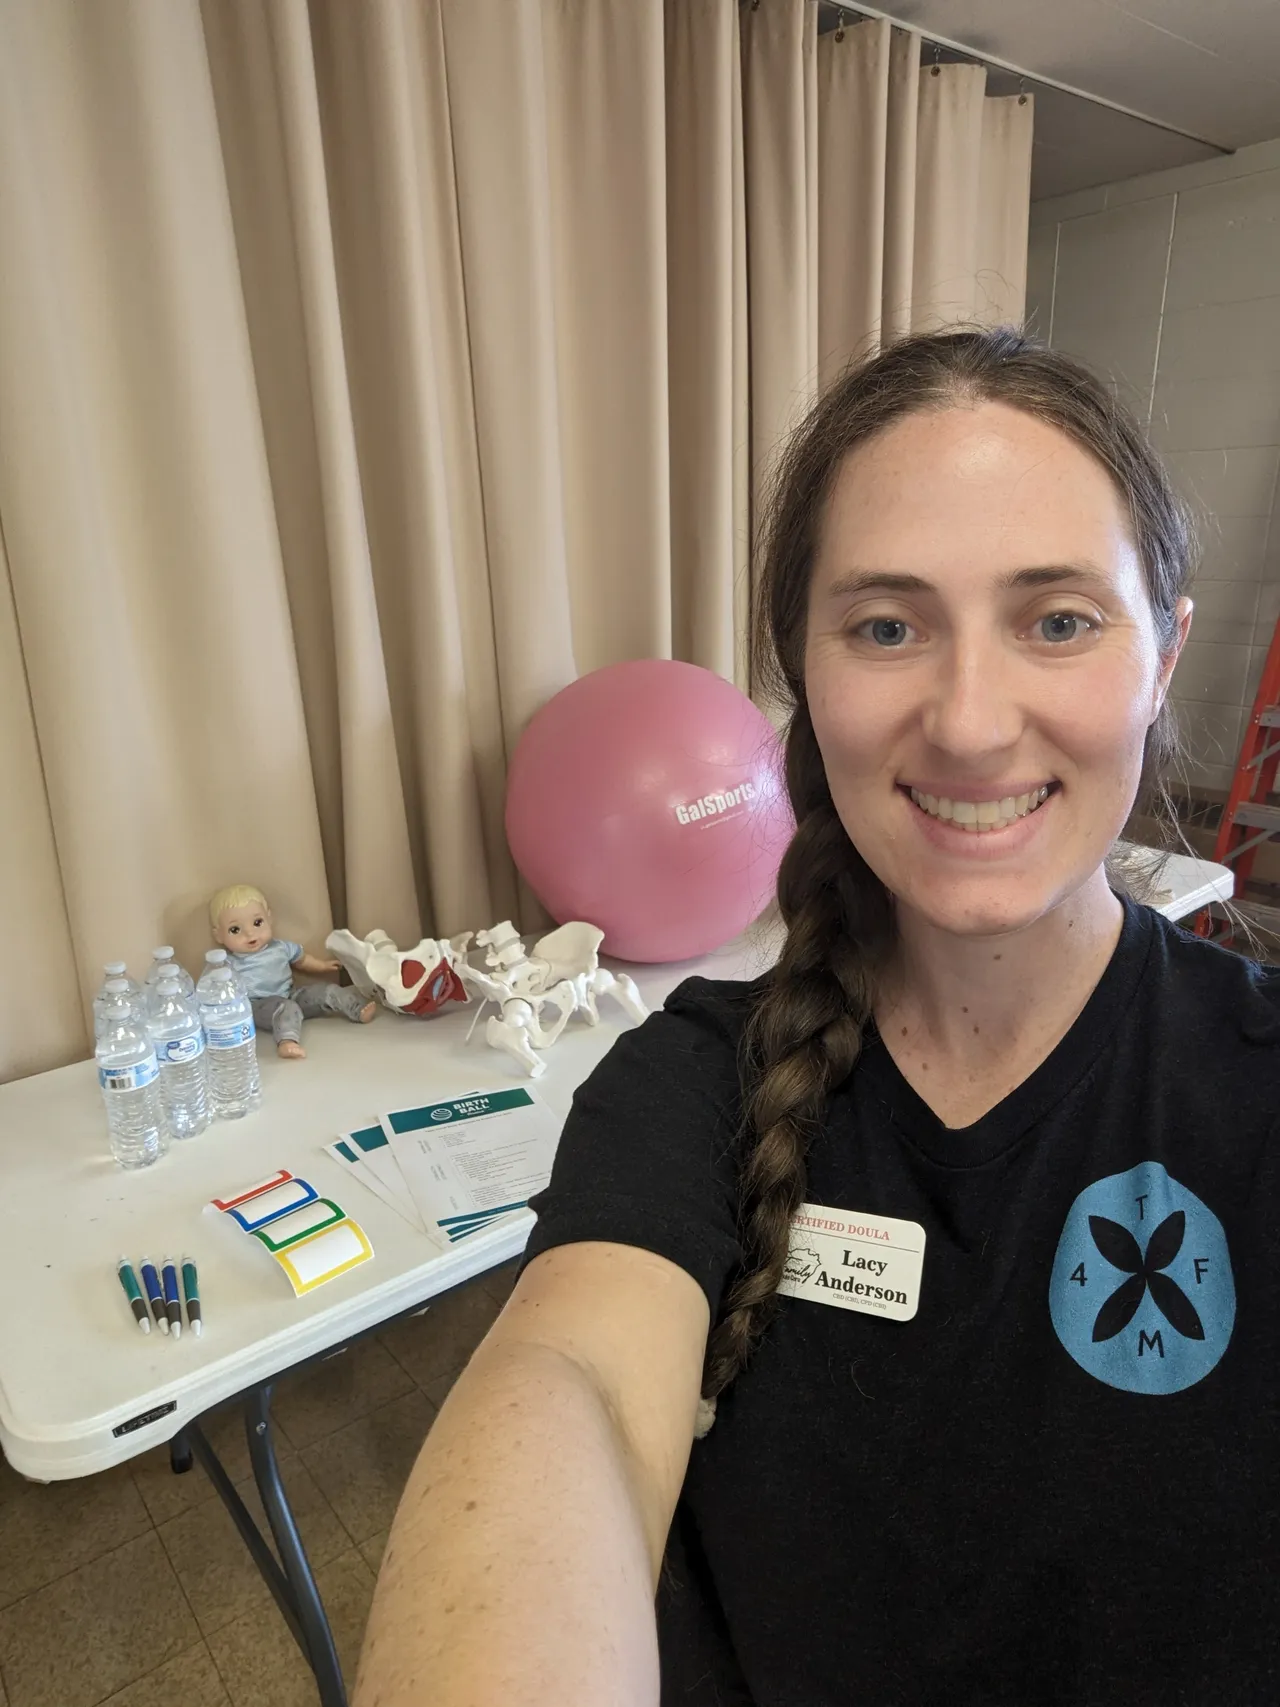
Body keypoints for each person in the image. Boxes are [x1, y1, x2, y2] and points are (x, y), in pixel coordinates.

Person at [354, 329, 1280, 1706]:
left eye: (1060, 618)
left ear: (1165, 654)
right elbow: (577, 1398)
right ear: (804, 665)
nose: (969, 721)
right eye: (888, 625)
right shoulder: (693, 1087)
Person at [208, 883, 376, 1057]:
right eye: (235, 930)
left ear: (269, 918)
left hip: (290, 995)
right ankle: (287, 1041)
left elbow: (303, 960)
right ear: (218, 935)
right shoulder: (228, 963)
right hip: (257, 1006)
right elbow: (217, 991)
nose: (250, 934)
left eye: (257, 923)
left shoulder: (281, 947)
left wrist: (323, 966)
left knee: (326, 990)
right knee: (285, 1008)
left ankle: (357, 1009)